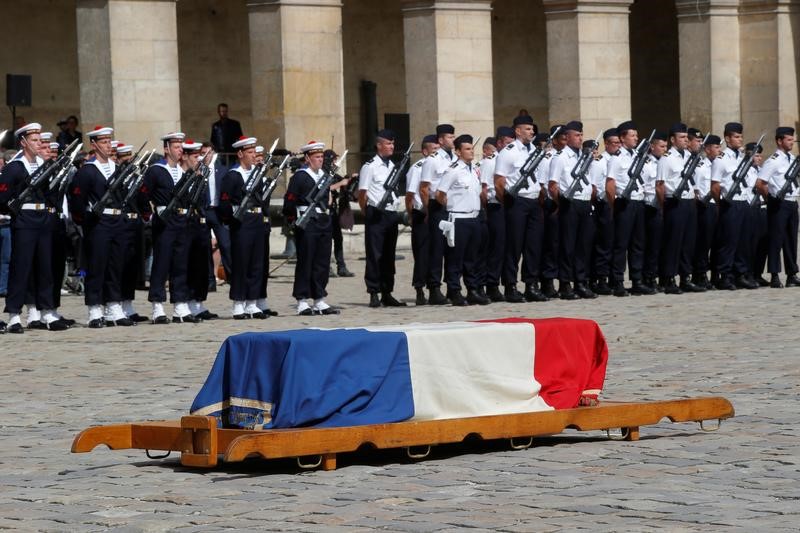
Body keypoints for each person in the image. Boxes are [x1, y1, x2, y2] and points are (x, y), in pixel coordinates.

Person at [0, 123, 66, 332]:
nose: (39, 144)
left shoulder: (43, 166)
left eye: (40, 140)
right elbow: (2, 196)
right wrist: (15, 212)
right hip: (24, 220)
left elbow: (51, 194)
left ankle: (46, 312)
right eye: (35, 140)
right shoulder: (14, 167)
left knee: (45, 267)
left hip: (43, 218)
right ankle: (14, 315)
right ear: (23, 142)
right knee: (21, 267)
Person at [68, 126, 132, 327]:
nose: (108, 145)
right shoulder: (87, 171)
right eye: (104, 142)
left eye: (109, 141)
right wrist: (85, 220)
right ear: (94, 144)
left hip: (117, 221)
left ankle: (114, 305)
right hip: (98, 223)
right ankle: (95, 309)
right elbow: (77, 199)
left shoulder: (118, 169)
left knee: (116, 264)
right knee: (97, 266)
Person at [142, 131, 199, 322]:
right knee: (162, 263)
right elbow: (143, 194)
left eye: (181, 146)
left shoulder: (184, 172)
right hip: (165, 222)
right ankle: (157, 305)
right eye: (176, 146)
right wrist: (152, 212)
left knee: (181, 263)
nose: (180, 150)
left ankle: (180, 304)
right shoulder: (156, 171)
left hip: (182, 222)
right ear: (166, 149)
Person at [282, 140, 342, 315]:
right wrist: (295, 221)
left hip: (323, 220)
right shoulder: (300, 177)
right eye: (316, 157)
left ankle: (319, 298)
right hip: (307, 222)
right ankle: (302, 300)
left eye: (321, 156)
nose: (320, 160)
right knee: (306, 261)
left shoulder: (323, 175)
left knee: (322, 261)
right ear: (307, 158)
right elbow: (289, 202)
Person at [494, 115, 547, 303]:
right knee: (514, 246)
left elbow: (540, 181)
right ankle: (510, 286)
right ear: (517, 131)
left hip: (533, 202)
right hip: (516, 202)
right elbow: (499, 182)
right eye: (527, 129)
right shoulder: (508, 152)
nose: (531, 132)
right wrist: (507, 202)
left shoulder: (535, 151)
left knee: (533, 246)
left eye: (532, 129)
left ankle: (531, 284)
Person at [218, 135, 269, 319]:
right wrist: (231, 219)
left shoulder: (257, 174)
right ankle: (238, 302)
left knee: (256, 262)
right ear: (240, 154)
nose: (253, 155)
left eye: (254, 152)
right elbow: (224, 201)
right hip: (241, 221)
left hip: (256, 219)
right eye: (249, 152)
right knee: (241, 262)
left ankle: (252, 302)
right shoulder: (233, 175)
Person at [436, 134, 489, 305]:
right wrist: (452, 207)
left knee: (472, 257)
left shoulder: (473, 169)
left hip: (474, 218)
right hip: (459, 219)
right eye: (467, 149)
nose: (471, 152)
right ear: (458, 152)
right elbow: (440, 194)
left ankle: (472, 289)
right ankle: (454, 290)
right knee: (455, 257)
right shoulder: (453, 170)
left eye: (472, 148)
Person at [548, 121, 597, 299]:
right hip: (569, 203)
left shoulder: (584, 157)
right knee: (568, 245)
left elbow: (590, 182)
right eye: (576, 135)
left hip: (584, 203)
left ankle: (580, 282)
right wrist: (560, 203)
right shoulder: (560, 157)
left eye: (581, 135)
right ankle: (565, 283)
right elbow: (553, 185)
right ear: (567, 137)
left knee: (583, 245)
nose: (580, 138)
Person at [606, 121, 655, 296]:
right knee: (621, 244)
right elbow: (610, 184)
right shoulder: (617, 158)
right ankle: (617, 281)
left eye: (636, 135)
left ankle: (637, 279)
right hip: (624, 203)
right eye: (632, 135)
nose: (636, 138)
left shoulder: (638, 156)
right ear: (622, 138)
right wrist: (614, 205)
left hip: (639, 202)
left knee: (638, 243)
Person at [358, 129, 405, 307]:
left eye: (392, 144)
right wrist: (367, 211)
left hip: (391, 213)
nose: (391, 147)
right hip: (376, 213)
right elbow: (362, 193)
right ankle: (373, 292)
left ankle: (387, 292)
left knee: (388, 255)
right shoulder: (369, 166)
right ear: (379, 145)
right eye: (388, 143)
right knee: (375, 255)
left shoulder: (392, 166)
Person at [710, 122, 757, 290]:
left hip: (744, 202)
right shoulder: (721, 159)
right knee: (729, 241)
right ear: (727, 138)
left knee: (744, 241)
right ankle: (725, 275)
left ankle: (740, 274)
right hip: (730, 203)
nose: (740, 139)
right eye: (736, 137)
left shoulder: (742, 158)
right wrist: (720, 203)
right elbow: (715, 186)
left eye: (741, 136)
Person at [180, 139, 219, 320]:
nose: (198, 160)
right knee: (188, 265)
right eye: (195, 156)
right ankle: (186, 302)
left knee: (201, 266)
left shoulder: (199, 176)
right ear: (186, 156)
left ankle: (198, 302)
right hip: (187, 225)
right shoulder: (183, 176)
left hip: (200, 224)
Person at [757, 126, 800, 288]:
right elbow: (760, 183)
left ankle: (791, 274)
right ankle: (775, 275)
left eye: (792, 139)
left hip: (792, 202)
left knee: (791, 239)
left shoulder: (791, 159)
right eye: (788, 140)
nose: (792, 142)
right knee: (776, 240)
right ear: (779, 141)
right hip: (778, 203)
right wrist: (770, 198)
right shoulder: (773, 161)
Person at [420, 124, 457, 305]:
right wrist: (429, 210)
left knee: (453, 249)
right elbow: (424, 188)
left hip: (455, 207)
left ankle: (452, 287)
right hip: (437, 207)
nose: (453, 139)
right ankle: (434, 288)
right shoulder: (433, 160)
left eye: (453, 136)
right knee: (437, 249)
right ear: (441, 140)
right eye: (449, 137)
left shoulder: (456, 158)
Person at [115, 143, 148, 322]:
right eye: (123, 156)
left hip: (135, 223)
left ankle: (127, 303)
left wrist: (146, 215)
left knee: (131, 266)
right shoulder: (116, 177)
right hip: (120, 222)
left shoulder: (136, 176)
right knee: (118, 265)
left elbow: (143, 199)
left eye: (129, 155)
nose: (128, 159)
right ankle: (115, 304)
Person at [481, 127, 514, 302]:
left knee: (509, 247)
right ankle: (491, 284)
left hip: (511, 205)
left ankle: (509, 283)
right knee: (496, 247)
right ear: (499, 142)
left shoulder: (512, 157)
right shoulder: (490, 161)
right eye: (508, 143)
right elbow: (484, 189)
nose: (511, 147)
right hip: (496, 206)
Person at [406, 134, 438, 305]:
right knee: (422, 253)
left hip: (436, 213)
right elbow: (410, 196)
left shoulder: (440, 165)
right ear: (425, 152)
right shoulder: (417, 168)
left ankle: (435, 288)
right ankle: (419, 289)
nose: (436, 153)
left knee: (436, 253)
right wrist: (412, 216)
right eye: (434, 150)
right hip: (422, 214)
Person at [589, 128, 620, 295]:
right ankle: (601, 278)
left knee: (617, 243)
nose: (616, 146)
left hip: (618, 203)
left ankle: (615, 278)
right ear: (606, 144)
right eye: (613, 143)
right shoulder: (599, 161)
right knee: (604, 244)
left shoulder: (621, 159)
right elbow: (594, 187)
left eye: (618, 143)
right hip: (604, 204)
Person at [200, 142, 232, 285]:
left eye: (208, 153)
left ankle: (232, 277)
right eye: (203, 153)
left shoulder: (222, 170)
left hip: (218, 211)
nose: (206, 156)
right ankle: (209, 280)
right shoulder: (198, 170)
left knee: (225, 244)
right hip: (204, 211)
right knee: (205, 246)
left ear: (213, 153)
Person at [540, 126, 566, 298]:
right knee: (551, 244)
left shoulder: (569, 157)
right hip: (552, 204)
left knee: (566, 245)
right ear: (554, 140)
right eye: (561, 138)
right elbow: (543, 185)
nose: (564, 140)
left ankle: (565, 280)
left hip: (568, 203)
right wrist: (554, 205)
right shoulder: (547, 158)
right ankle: (547, 282)